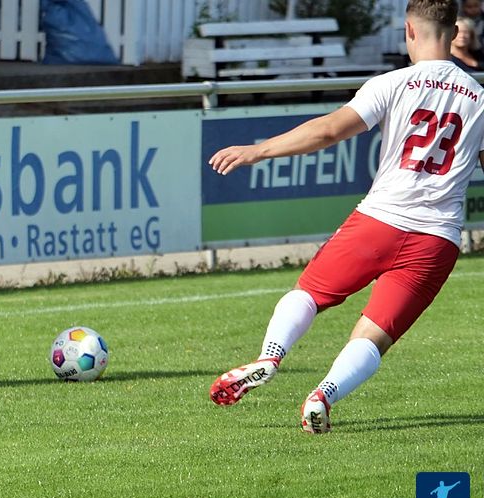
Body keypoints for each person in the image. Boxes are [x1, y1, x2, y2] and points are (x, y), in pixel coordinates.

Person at [207, 0, 484, 433]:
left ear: (410, 30)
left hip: (378, 221)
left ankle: (270, 356)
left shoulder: (393, 83)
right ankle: (324, 395)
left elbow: (328, 130)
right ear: (453, 33)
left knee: (309, 294)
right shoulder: (480, 98)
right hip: (436, 239)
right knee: (376, 333)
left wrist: (257, 151)